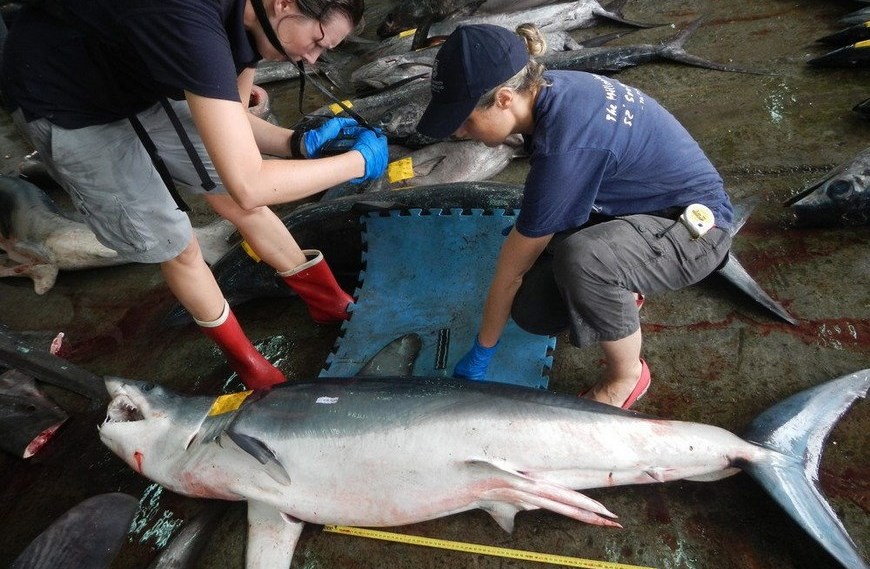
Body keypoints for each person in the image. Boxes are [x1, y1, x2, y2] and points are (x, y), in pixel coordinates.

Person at [0, 0, 389, 390]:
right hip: (64, 96)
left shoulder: (253, 21)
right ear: (284, 4)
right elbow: (250, 183)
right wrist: (356, 163)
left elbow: (234, 123)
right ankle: (248, 361)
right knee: (177, 243)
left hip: (135, 74)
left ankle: (328, 302)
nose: (313, 57)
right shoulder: (189, 24)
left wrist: (299, 143)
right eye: (317, 42)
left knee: (233, 201)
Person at [416, 24, 733, 409]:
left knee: (583, 261)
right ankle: (624, 286)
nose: (461, 132)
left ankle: (627, 376)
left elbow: (509, 273)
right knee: (535, 311)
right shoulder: (554, 88)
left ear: (503, 99)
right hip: (638, 207)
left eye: (464, 120)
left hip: (693, 229)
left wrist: (483, 350)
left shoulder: (566, 147)